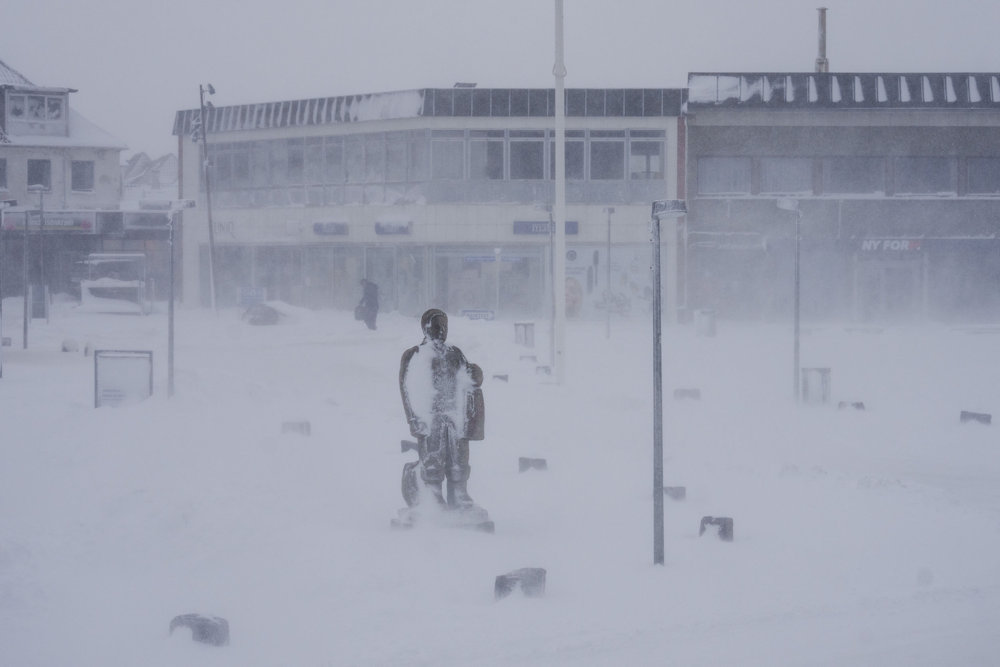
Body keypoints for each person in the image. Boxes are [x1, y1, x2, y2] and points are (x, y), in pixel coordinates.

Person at [399, 309, 485, 509]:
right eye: (437, 325)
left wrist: (476, 373)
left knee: (459, 456)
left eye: (445, 326)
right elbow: (407, 387)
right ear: (426, 327)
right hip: (430, 417)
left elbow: (469, 378)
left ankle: (459, 492)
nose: (442, 330)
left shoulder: (454, 353)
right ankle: (433, 495)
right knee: (433, 458)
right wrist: (413, 418)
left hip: (455, 415)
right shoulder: (416, 354)